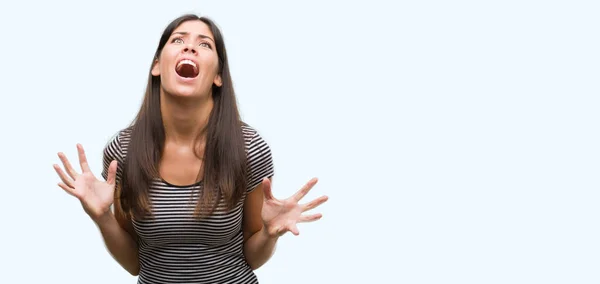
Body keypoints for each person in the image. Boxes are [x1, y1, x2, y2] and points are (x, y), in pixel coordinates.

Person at [52, 14, 328, 284]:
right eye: (177, 40)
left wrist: (269, 234)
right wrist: (101, 218)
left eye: (205, 44)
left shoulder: (248, 147)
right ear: (157, 66)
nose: (190, 46)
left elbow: (251, 258)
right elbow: (135, 264)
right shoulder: (122, 151)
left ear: (218, 76)